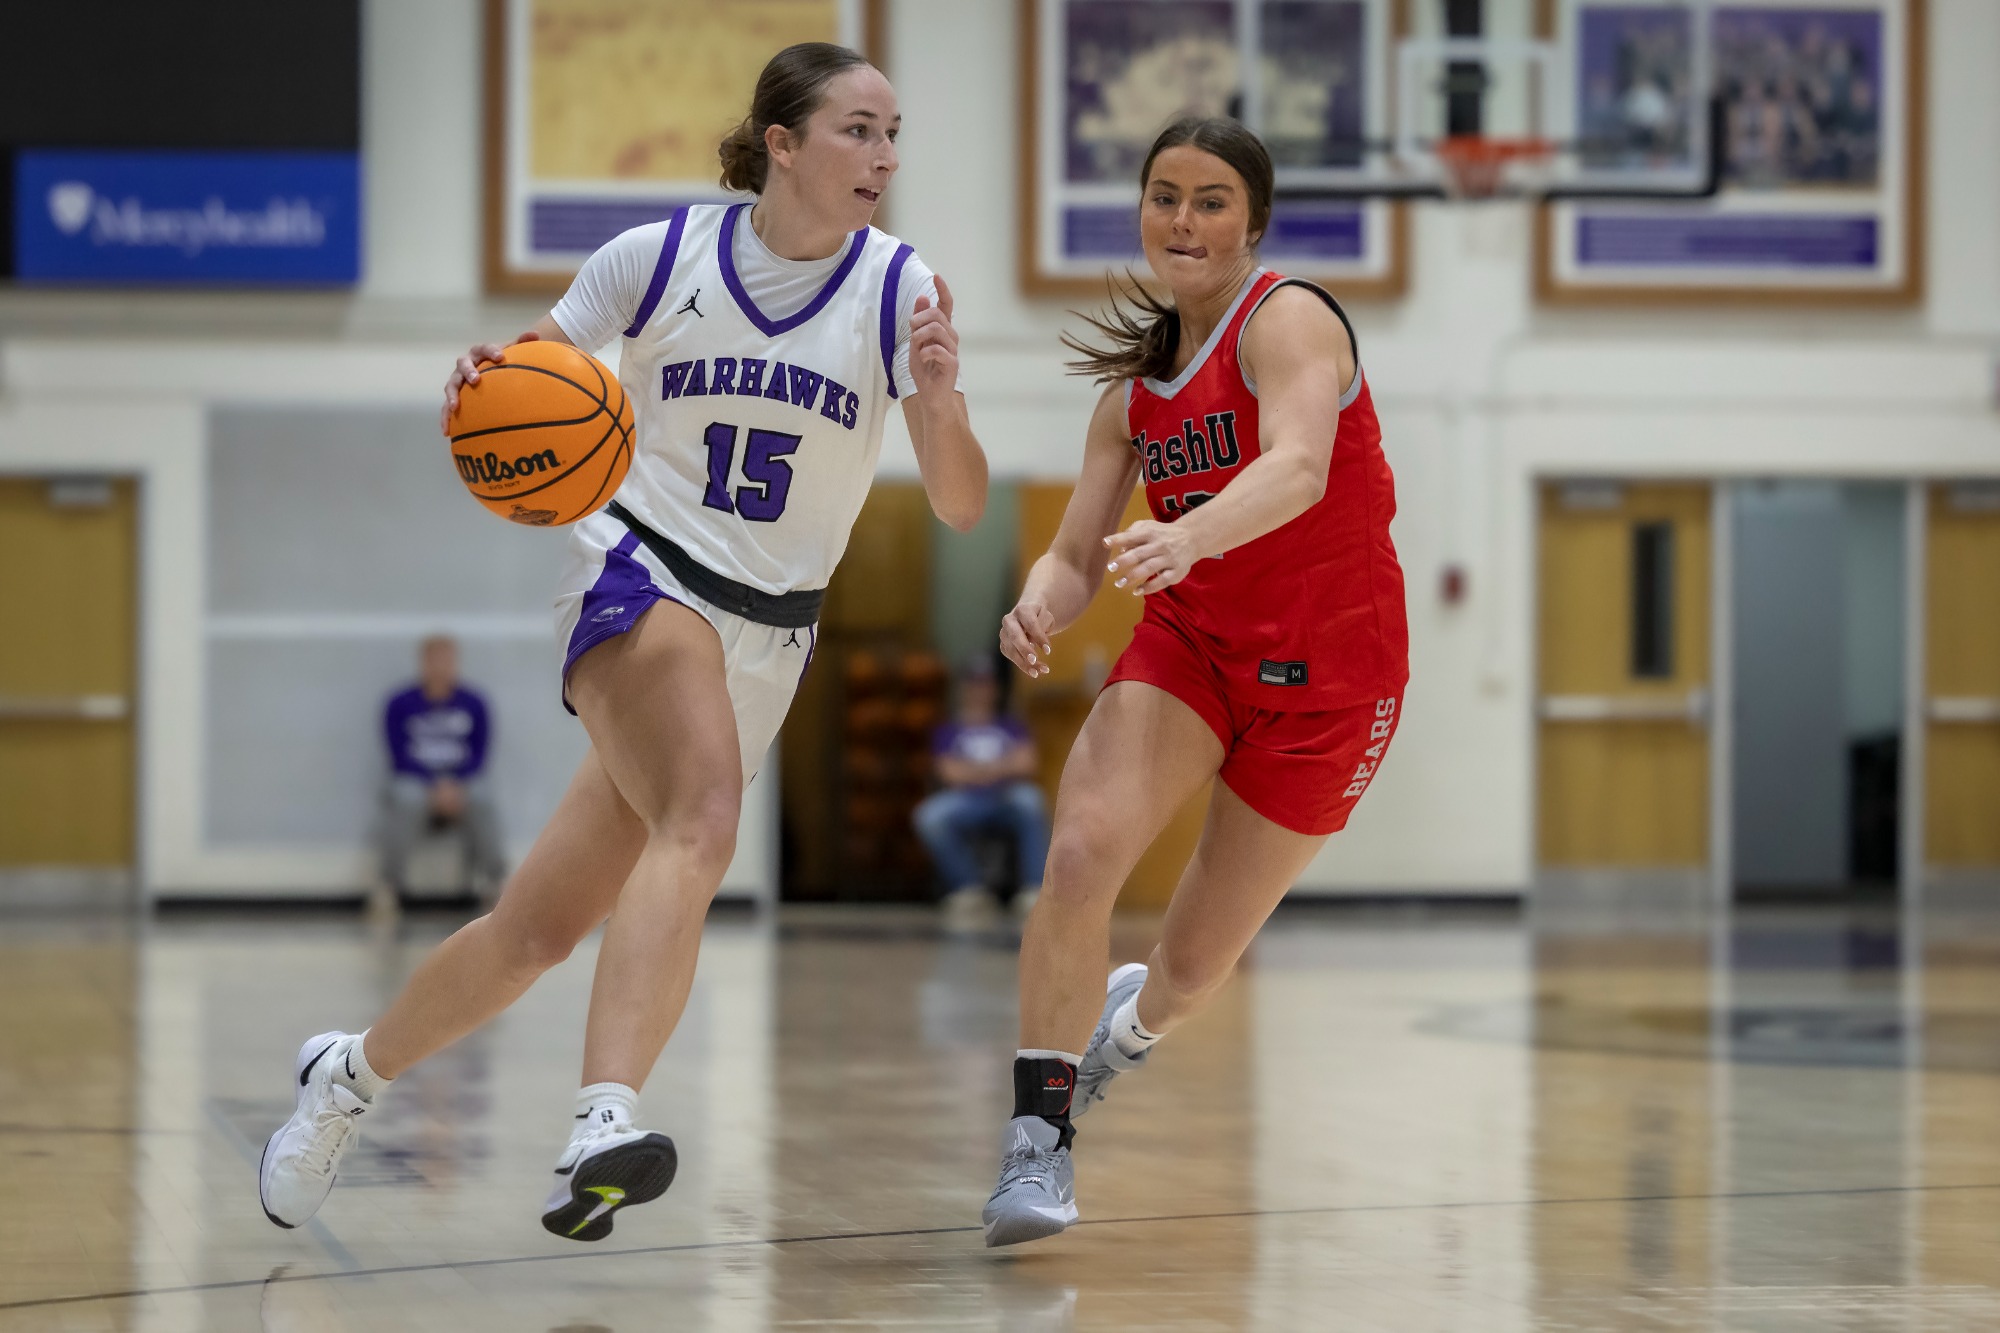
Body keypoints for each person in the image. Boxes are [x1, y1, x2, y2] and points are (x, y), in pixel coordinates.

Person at [259, 43, 985, 1242]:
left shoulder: (903, 290)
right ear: (783, 143)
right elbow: (522, 376)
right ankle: (603, 1119)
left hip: (774, 635)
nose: (886, 156)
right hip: (635, 572)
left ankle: (347, 1074)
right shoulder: (654, 260)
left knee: (535, 930)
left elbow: (959, 502)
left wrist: (945, 400)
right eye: (859, 129)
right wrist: (481, 381)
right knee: (703, 819)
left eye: (894, 131)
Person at [978, 117, 1408, 1246]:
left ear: (1250, 222)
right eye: (1164, 195)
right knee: (1077, 856)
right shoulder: (1131, 396)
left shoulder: (1289, 319)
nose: (1183, 218)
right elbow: (1073, 557)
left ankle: (1124, 1032)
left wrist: (1192, 533)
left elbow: (1300, 465)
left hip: (1332, 678)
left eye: (1210, 199)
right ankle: (1037, 1143)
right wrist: (1036, 599)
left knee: (1188, 968)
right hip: (1194, 649)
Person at [912, 656, 1047, 922]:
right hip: (965, 800)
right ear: (964, 688)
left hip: (1006, 798)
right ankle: (969, 888)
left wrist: (976, 772)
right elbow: (948, 772)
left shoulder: (1010, 726)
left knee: (1031, 801)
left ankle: (1034, 888)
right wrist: (999, 769)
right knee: (929, 816)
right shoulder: (948, 730)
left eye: (985, 684)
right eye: (974, 684)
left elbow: (1027, 763)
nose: (980, 690)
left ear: (994, 689)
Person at [377, 635, 506, 900]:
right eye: (434, 660)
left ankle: (496, 881)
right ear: (422, 663)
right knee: (406, 798)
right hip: (416, 780)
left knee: (483, 797)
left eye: (446, 660)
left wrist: (453, 784)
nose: (440, 667)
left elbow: (479, 755)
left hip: (461, 780)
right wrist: (434, 786)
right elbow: (398, 755)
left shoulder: (475, 703)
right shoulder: (399, 703)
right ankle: (389, 885)